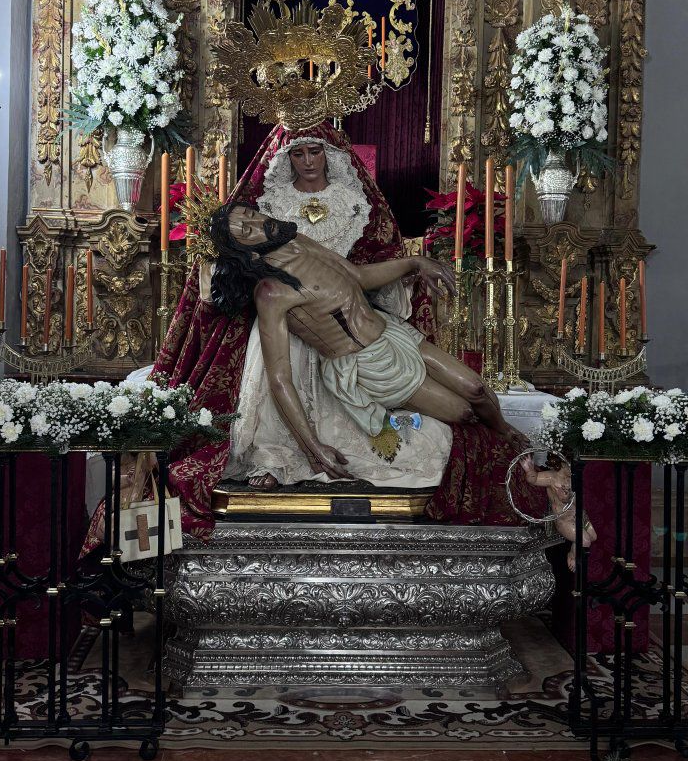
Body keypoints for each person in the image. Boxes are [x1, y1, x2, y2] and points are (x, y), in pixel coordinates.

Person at [208, 202, 596, 559]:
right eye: (246, 230)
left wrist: (414, 262)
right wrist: (313, 447)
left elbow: (358, 276)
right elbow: (279, 379)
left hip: (393, 333)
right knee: (463, 414)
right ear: (244, 251)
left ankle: (514, 445)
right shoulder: (271, 292)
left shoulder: (300, 242)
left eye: (251, 215)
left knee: (478, 389)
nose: (258, 224)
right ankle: (535, 482)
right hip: (369, 365)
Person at [222, 133, 452, 490]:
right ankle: (277, 455)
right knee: (278, 378)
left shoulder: (352, 199)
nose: (308, 161)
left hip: (342, 312)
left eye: (315, 151)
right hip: (287, 311)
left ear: (329, 154)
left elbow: (368, 258)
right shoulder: (270, 202)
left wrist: (407, 267)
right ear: (287, 159)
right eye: (298, 154)